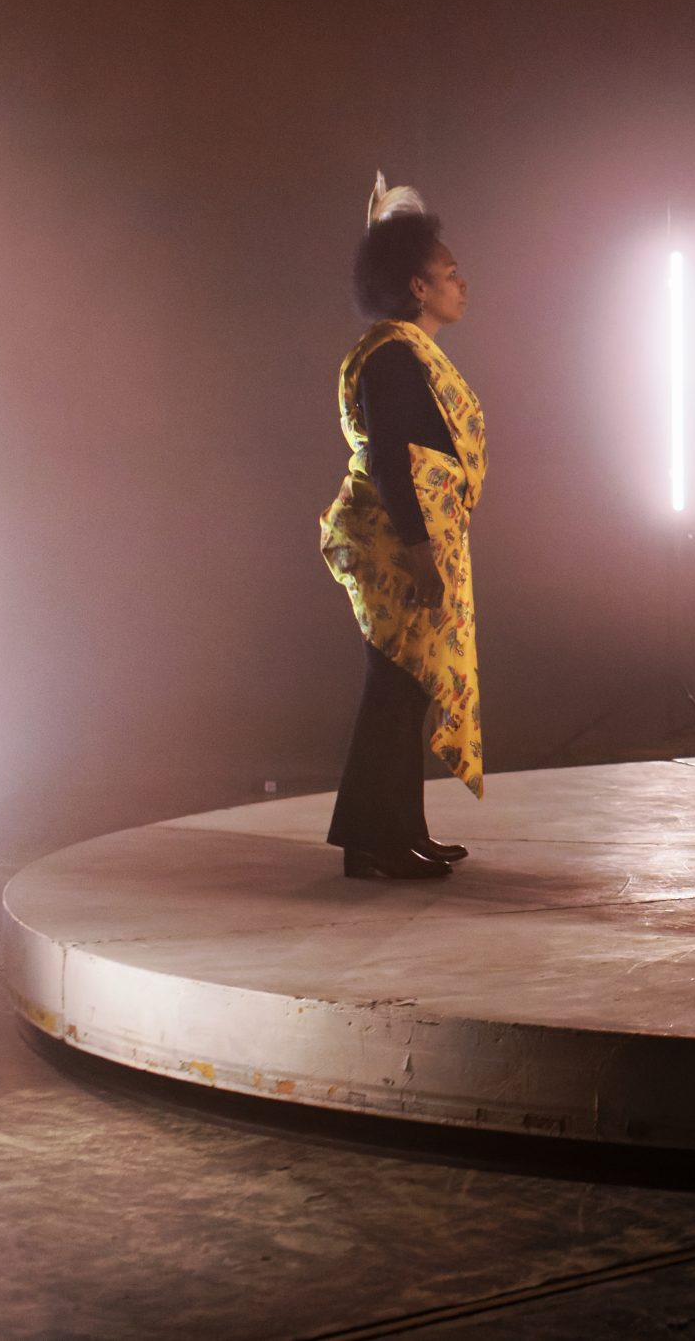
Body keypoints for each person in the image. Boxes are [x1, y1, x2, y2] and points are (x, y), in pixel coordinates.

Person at [317, 175, 489, 880]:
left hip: (414, 538)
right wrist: (419, 549)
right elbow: (391, 458)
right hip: (398, 544)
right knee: (394, 684)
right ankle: (369, 841)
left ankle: (401, 831)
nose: (462, 283)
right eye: (450, 273)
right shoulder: (391, 355)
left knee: (408, 685)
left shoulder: (409, 353)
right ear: (418, 287)